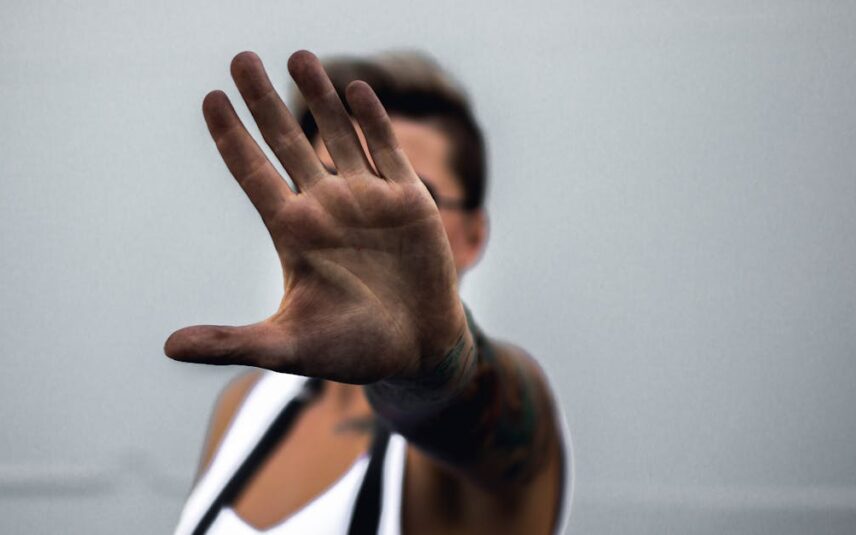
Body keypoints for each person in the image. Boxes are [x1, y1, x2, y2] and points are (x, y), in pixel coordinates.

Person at [165, 49, 572, 535]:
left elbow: (484, 424)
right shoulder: (247, 406)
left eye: (416, 193)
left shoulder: (474, 441)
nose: (363, 213)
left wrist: (436, 370)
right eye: (331, 182)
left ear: (474, 236)